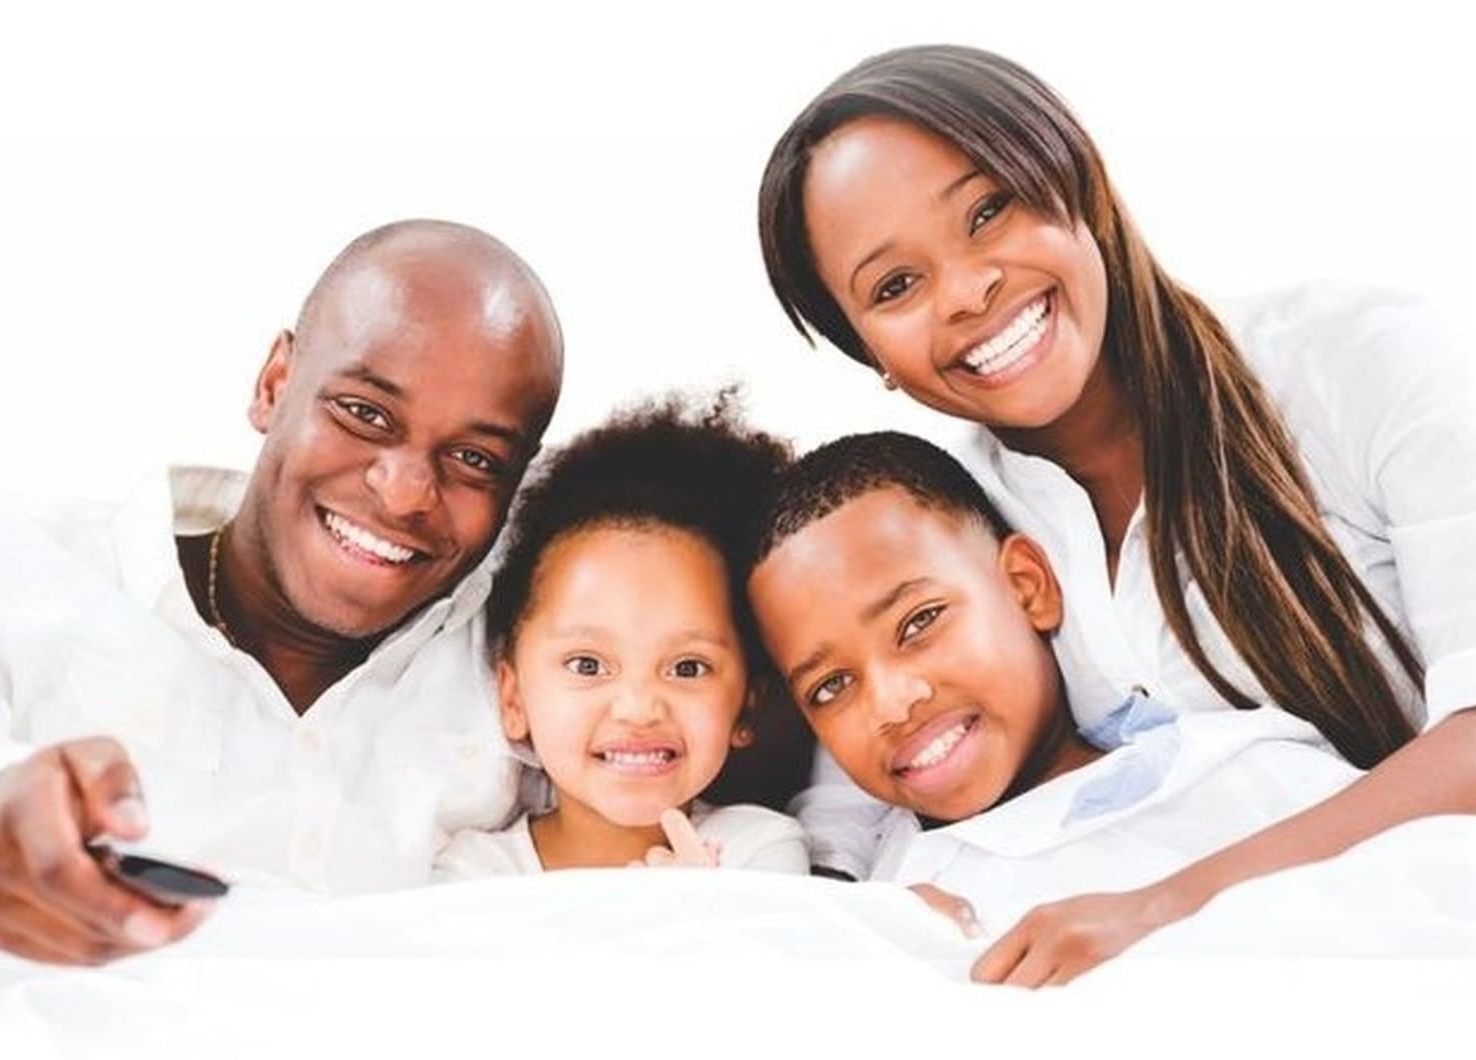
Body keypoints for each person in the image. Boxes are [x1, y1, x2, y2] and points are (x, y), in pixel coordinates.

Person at [757, 45, 1476, 973]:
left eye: (989, 210)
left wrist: (1168, 908)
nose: (968, 292)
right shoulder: (950, 522)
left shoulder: (1353, 360)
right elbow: (849, 792)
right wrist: (869, 908)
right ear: (872, 358)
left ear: (1075, 179)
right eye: (895, 287)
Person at [0, 219, 565, 965]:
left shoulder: (540, 658)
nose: (402, 495)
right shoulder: (10, 568)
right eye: (364, 413)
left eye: (472, 458)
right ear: (275, 385)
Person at [748, 431, 1364, 984]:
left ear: (1026, 587)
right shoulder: (869, 904)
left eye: (919, 623)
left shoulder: (1234, 773)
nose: (890, 701)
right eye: (831, 687)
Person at [433, 395, 810, 879]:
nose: (638, 708)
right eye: (587, 665)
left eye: (687, 667)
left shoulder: (758, 849)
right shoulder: (477, 872)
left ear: (745, 705)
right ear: (513, 698)